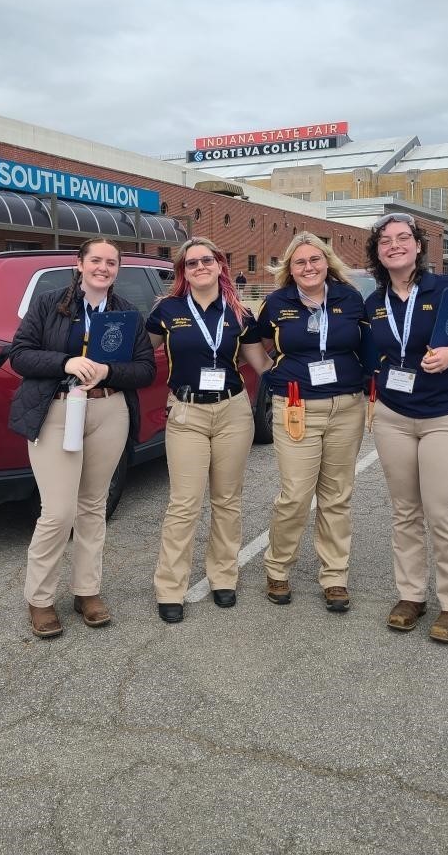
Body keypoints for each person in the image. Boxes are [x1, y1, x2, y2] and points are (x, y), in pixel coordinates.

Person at [8, 236, 156, 638]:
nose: (102, 267)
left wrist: (108, 371)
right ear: (79, 264)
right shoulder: (49, 304)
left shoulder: (127, 314)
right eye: (95, 260)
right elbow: (19, 355)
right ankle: (39, 598)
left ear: (117, 269)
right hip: (57, 410)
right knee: (58, 512)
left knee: (93, 506)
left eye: (111, 262)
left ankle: (86, 591)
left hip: (108, 411)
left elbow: (145, 370)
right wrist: (65, 361)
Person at [364, 212, 448, 644]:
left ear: (419, 246)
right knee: (404, 511)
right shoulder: (374, 301)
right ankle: (410, 595)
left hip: (444, 415)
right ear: (377, 251)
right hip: (393, 417)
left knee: (440, 511)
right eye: (386, 240)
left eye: (404, 238)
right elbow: (373, 355)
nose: (395, 245)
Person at [146, 237, 270, 624]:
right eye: (191, 263)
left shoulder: (239, 313)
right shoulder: (166, 311)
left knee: (227, 501)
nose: (200, 267)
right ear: (183, 271)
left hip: (232, 411)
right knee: (184, 504)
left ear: (220, 265)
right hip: (186, 413)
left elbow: (262, 364)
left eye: (207, 260)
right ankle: (170, 588)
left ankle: (223, 577)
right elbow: (136, 353)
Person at [256, 232, 368, 613]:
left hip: (346, 406)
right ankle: (278, 567)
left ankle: (335, 577)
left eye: (315, 260)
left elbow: (367, 345)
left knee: (337, 496)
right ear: (290, 268)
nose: (308, 268)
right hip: (297, 406)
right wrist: (270, 374)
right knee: (295, 494)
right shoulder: (276, 303)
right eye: (300, 262)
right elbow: (254, 342)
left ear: (327, 263)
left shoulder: (349, 299)